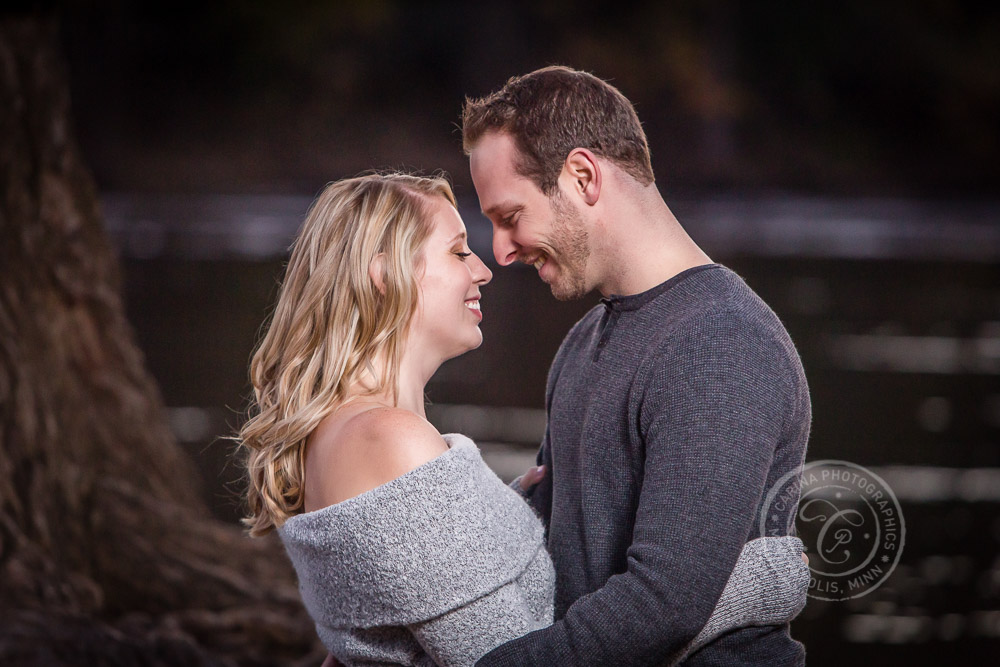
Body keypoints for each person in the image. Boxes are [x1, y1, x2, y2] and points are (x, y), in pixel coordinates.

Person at [237, 173, 809, 667]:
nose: (485, 269)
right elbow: (517, 658)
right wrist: (754, 584)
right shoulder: (391, 440)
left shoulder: (350, 434)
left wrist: (502, 510)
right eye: (459, 251)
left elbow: (416, 596)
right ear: (382, 271)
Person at [462, 66, 813, 666]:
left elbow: (662, 605)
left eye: (510, 215)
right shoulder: (582, 342)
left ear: (582, 176)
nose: (500, 250)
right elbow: (544, 558)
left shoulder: (720, 342)